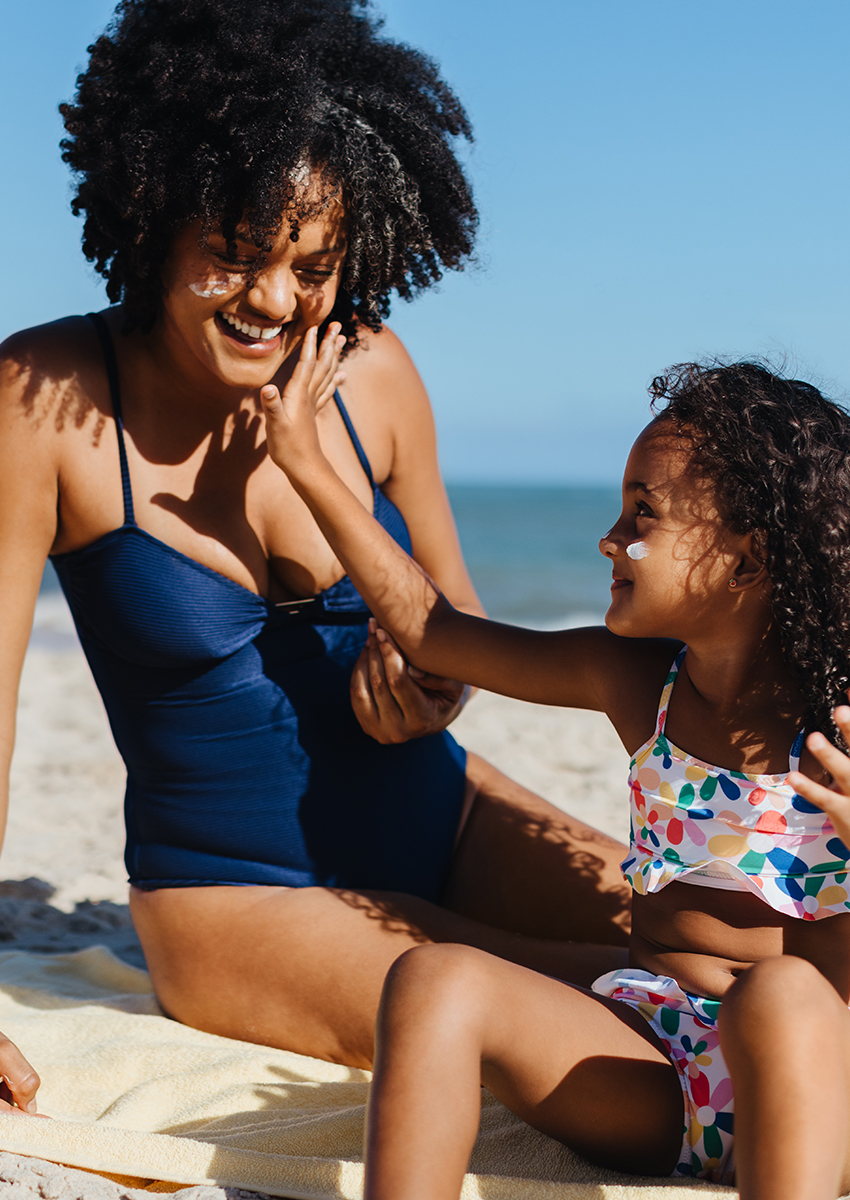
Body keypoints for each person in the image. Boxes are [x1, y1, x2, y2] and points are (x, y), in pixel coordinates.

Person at [0, 0, 629, 1094]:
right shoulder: (43, 406)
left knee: (732, 952)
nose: (274, 300)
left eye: (314, 264)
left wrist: (434, 692)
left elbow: (463, 636)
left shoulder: (372, 375)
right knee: (619, 1049)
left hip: (449, 815)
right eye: (234, 256)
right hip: (238, 901)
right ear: (151, 221)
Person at [261, 350, 850, 1200]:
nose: (609, 539)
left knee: (781, 995)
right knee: (434, 979)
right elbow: (433, 633)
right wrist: (307, 466)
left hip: (818, 1084)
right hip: (663, 1066)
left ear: (747, 562)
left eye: (642, 517)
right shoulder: (635, 682)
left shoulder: (839, 724)